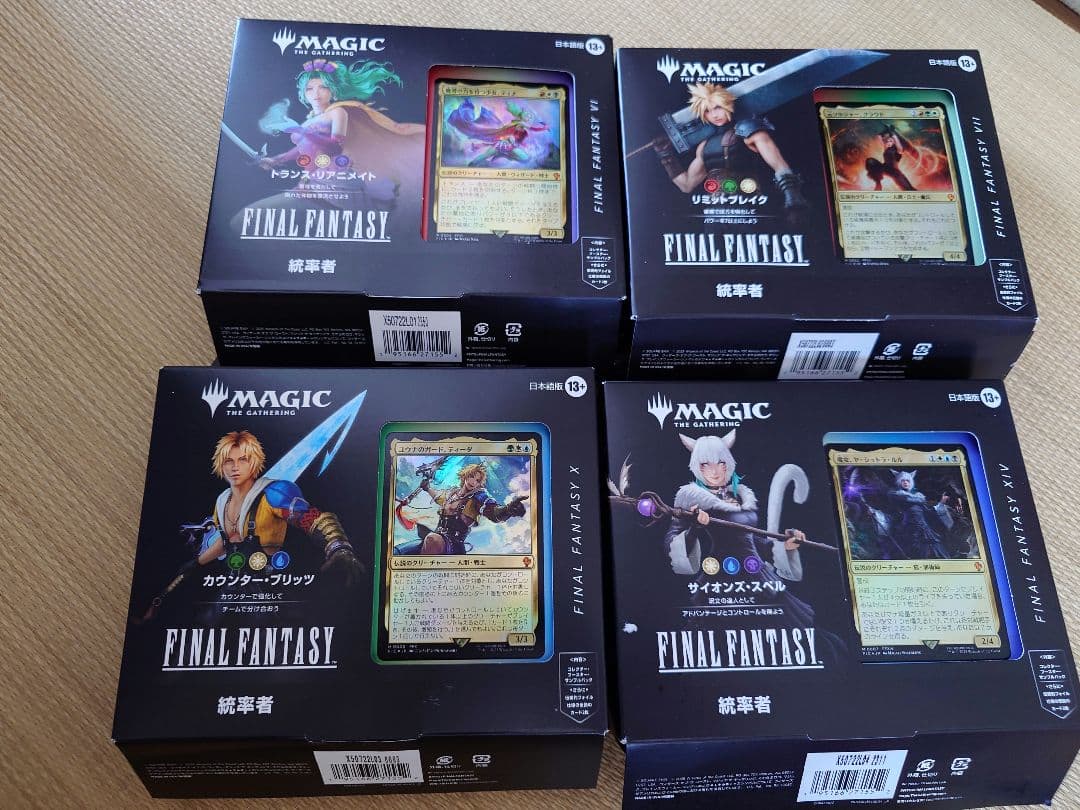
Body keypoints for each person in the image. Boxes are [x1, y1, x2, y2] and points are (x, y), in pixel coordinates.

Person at [138, 431, 361, 621]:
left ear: (254, 462)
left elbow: (313, 519)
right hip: (234, 583)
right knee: (205, 627)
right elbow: (226, 540)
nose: (235, 467)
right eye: (229, 461)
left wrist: (338, 547)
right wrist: (194, 564)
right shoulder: (222, 501)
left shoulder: (274, 493)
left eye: (243, 460)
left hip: (270, 585)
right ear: (221, 464)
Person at [254, 59, 425, 205]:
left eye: (323, 87)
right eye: (309, 89)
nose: (316, 93)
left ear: (333, 90)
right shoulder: (308, 121)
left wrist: (300, 130)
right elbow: (303, 148)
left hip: (334, 179)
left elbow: (335, 146)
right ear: (303, 94)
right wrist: (276, 159)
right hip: (310, 180)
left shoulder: (338, 112)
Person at [653, 83, 806, 210]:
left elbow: (779, 165)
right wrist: (666, 156)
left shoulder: (748, 130)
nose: (714, 115)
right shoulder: (704, 146)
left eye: (718, 107)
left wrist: (792, 194)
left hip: (749, 205)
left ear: (728, 105)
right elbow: (686, 185)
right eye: (707, 111)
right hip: (716, 211)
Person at [415, 462, 528, 555]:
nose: (473, 482)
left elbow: (494, 512)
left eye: (478, 480)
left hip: (453, 545)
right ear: (465, 475)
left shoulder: (478, 497)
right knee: (411, 548)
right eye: (472, 476)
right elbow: (439, 498)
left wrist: (508, 509)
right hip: (437, 536)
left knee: (432, 539)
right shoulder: (453, 493)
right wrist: (427, 488)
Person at [866, 125, 918, 191]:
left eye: (890, 141)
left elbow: (897, 143)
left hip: (895, 173)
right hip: (885, 168)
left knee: (909, 189)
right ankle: (878, 183)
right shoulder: (887, 149)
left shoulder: (898, 150)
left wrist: (892, 132)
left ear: (894, 142)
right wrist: (885, 131)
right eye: (887, 141)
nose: (888, 143)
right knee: (870, 161)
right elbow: (880, 138)